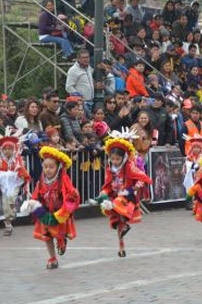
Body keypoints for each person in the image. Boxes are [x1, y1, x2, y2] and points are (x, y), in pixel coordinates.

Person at [94, 128, 152, 257]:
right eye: (112, 159)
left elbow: (143, 178)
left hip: (127, 196)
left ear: (124, 157)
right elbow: (108, 185)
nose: (114, 161)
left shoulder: (129, 166)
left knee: (118, 203)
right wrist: (103, 193)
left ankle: (124, 225)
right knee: (118, 224)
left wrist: (136, 187)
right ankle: (121, 247)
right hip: (115, 196)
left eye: (117, 159)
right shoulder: (110, 169)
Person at [20, 146, 80, 269]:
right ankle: (52, 258)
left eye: (51, 167)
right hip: (46, 211)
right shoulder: (41, 181)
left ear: (58, 168)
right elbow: (36, 195)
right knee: (47, 236)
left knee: (59, 234)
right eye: (45, 167)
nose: (48, 170)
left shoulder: (63, 180)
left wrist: (72, 197)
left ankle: (62, 241)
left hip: (59, 212)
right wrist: (33, 205)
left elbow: (71, 194)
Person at [0, 128, 30, 236]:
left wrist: (18, 173)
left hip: (14, 183)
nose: (7, 151)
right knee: (5, 201)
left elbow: (22, 171)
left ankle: (11, 214)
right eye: (5, 149)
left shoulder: (17, 159)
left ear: (13, 149)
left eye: (9, 148)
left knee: (11, 197)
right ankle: (8, 223)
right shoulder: (1, 160)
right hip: (4, 185)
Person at [182, 133, 202, 211]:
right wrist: (193, 166)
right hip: (191, 176)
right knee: (190, 189)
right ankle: (189, 203)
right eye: (194, 147)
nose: (196, 149)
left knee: (200, 190)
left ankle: (199, 204)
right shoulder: (190, 156)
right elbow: (187, 165)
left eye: (198, 147)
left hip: (200, 176)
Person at [65, 50, 94, 114]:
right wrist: (79, 97)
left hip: (91, 102)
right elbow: (68, 87)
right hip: (81, 104)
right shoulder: (73, 70)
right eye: (83, 58)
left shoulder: (89, 68)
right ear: (78, 59)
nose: (86, 59)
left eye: (87, 57)